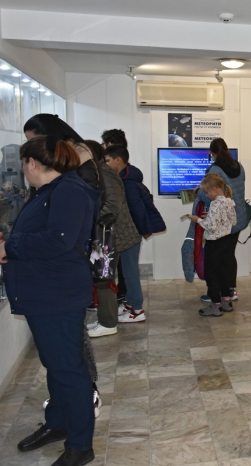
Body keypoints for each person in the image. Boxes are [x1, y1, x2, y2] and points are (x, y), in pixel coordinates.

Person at [0, 136, 99, 466]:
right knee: (56, 365)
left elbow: (59, 240)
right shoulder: (49, 191)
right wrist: (11, 246)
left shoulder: (68, 190)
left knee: (69, 369)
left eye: (23, 164)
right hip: (45, 293)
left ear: (32, 163)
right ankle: (59, 423)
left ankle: (80, 446)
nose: (23, 171)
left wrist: (11, 247)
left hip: (58, 295)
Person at [24, 115, 102, 418]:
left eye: (34, 140)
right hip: (56, 271)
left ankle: (84, 403)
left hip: (65, 271)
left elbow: (63, 235)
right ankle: (64, 411)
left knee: (70, 352)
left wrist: (16, 246)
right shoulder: (64, 176)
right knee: (61, 354)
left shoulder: (72, 178)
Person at [83, 141, 141, 338]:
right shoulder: (99, 172)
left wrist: (91, 221)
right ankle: (105, 319)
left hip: (108, 234)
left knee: (104, 278)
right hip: (106, 234)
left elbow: (112, 207)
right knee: (103, 278)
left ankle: (108, 322)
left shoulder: (104, 173)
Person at [104, 144, 166, 323]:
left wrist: (142, 230)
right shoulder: (126, 178)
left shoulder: (127, 183)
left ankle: (137, 310)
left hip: (130, 234)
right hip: (129, 233)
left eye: (107, 161)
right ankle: (131, 303)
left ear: (118, 160)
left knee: (130, 271)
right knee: (127, 270)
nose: (106, 165)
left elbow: (136, 211)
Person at [197, 138, 246, 302]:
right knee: (229, 255)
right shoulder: (239, 167)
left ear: (212, 153)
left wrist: (198, 192)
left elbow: (209, 194)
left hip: (220, 220)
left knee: (216, 259)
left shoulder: (214, 170)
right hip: (237, 217)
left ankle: (216, 293)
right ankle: (230, 291)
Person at [187, 174, 237, 317]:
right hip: (226, 241)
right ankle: (226, 301)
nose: (207, 195)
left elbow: (211, 226)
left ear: (214, 189)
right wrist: (211, 216)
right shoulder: (229, 202)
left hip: (214, 244)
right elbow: (233, 221)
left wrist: (197, 220)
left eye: (207, 192)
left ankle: (215, 304)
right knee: (223, 272)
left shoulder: (215, 203)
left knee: (211, 274)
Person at [101, 129, 129, 304]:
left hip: (120, 229)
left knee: (120, 268)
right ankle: (123, 295)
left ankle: (123, 297)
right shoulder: (123, 172)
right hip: (121, 228)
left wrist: (96, 217)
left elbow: (114, 205)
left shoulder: (115, 174)